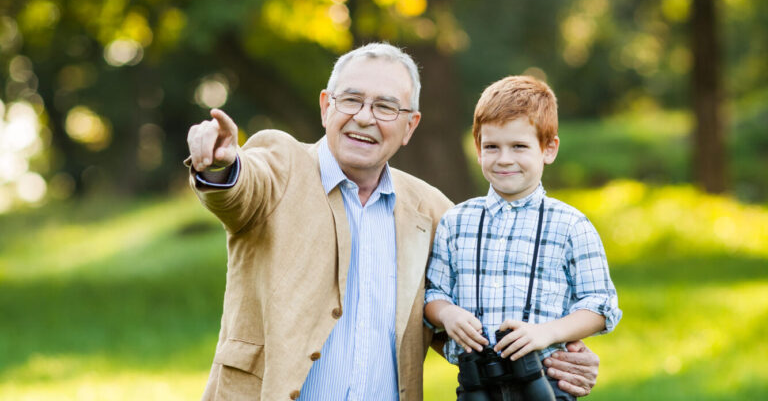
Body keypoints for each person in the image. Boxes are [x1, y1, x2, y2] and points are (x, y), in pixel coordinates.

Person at [185, 44, 601, 401]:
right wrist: (222, 166)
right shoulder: (279, 164)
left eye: (385, 106)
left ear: (409, 126)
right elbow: (240, 190)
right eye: (351, 101)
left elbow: (475, 315)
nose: (365, 118)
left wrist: (559, 356)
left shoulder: (436, 212)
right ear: (326, 106)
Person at [424, 75, 622, 400]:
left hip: (545, 382)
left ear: (548, 149)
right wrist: (447, 314)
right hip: (476, 382)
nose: (504, 159)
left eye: (519, 146)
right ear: (477, 148)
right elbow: (433, 293)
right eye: (492, 146)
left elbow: (601, 306)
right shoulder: (456, 221)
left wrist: (545, 333)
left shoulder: (571, 224)